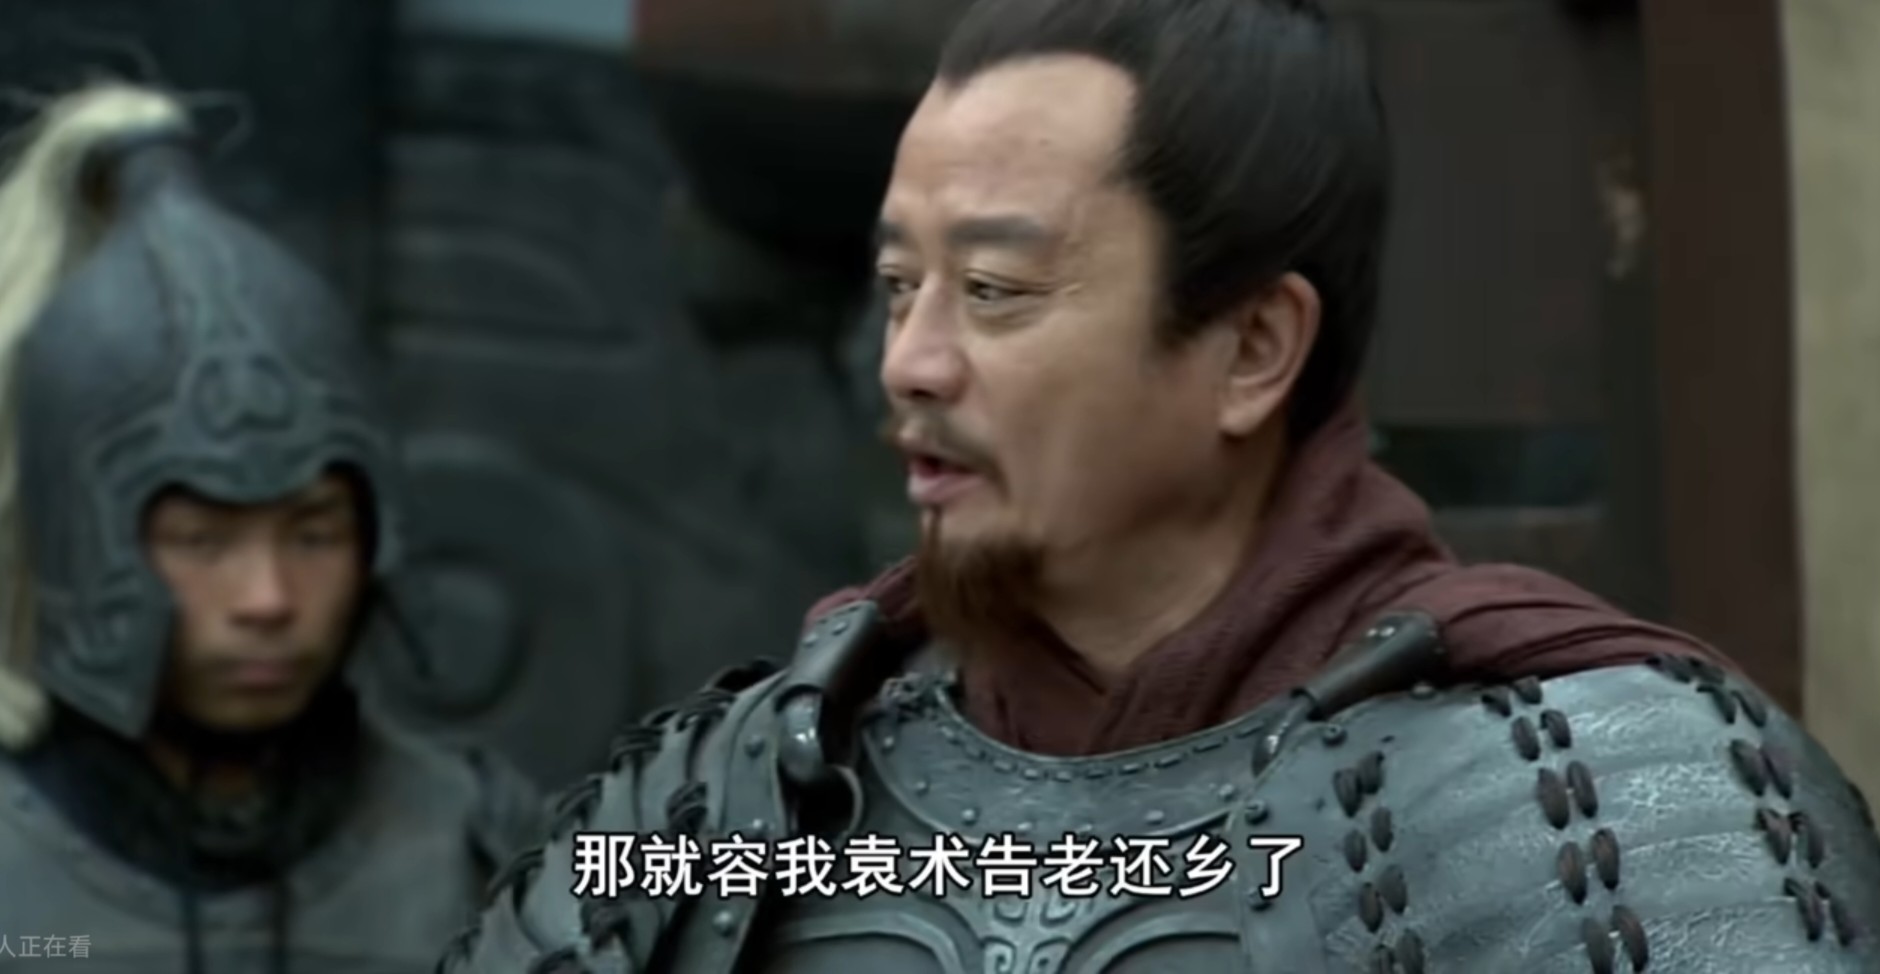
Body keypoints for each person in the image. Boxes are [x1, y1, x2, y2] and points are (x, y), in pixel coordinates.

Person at [440, 0, 1880, 970]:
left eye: (993, 289)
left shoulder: (1602, 807)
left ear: (1251, 349)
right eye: (896, 286)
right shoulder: (729, 801)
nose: (911, 363)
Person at [0, 82, 546, 973]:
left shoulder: (474, 848)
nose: (268, 599)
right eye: (201, 542)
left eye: (314, 534)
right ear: (85, 544)